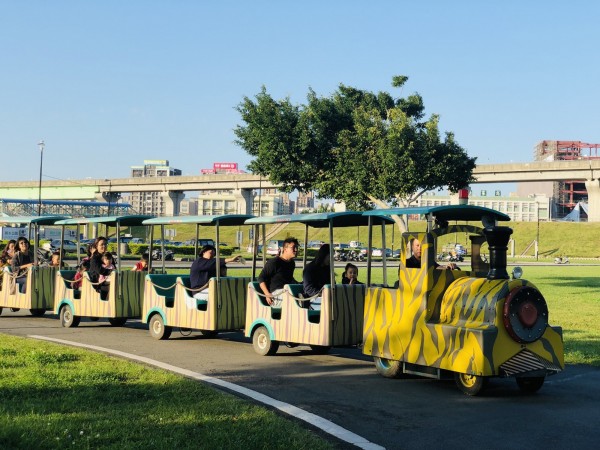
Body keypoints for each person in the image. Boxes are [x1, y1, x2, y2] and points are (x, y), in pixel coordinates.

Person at [257, 237, 299, 306]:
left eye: (296, 247)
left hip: (288, 291)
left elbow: (289, 278)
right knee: (293, 299)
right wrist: (267, 294)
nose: (296, 250)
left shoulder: (292, 263)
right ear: (285, 249)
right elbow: (261, 278)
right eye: (293, 247)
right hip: (276, 295)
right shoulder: (274, 262)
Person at [302, 244, 332, 309]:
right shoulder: (310, 269)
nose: (331, 259)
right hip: (313, 298)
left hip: (326, 296)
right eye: (330, 256)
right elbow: (309, 289)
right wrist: (323, 294)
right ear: (324, 255)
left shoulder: (328, 269)